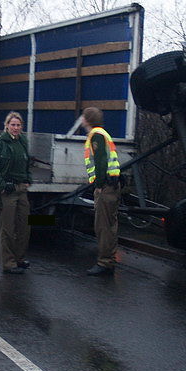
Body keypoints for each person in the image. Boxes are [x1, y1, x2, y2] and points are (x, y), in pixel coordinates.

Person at [0, 111, 32, 275]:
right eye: (13, 125)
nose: (16, 128)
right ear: (7, 126)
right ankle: (9, 263)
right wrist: (2, 186)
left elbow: (27, 163)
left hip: (21, 190)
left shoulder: (23, 142)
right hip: (8, 192)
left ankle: (20, 258)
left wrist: (28, 179)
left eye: (18, 125)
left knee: (25, 225)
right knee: (8, 228)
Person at [80, 106, 121, 276]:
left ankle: (104, 262)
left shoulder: (96, 135)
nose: (81, 119)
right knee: (110, 225)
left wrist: (98, 184)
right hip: (112, 186)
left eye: (83, 116)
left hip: (105, 188)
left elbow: (101, 161)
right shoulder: (103, 134)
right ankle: (109, 260)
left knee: (103, 226)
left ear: (88, 119)